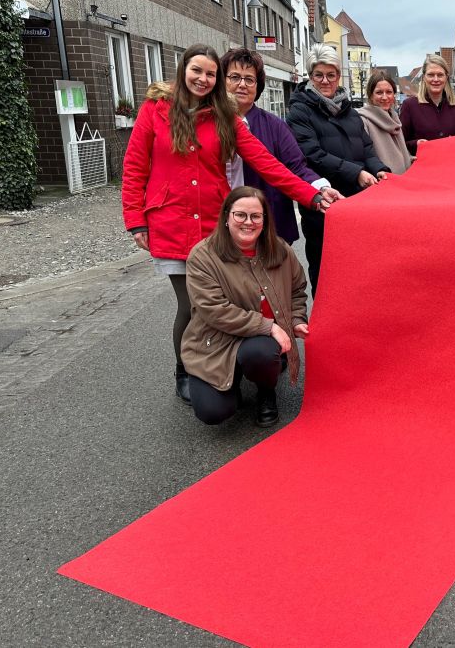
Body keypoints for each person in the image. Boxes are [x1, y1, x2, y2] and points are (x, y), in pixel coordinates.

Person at [122, 44, 321, 406]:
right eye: (197, 71)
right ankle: (186, 369)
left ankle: (232, 364)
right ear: (183, 70)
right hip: (170, 222)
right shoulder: (156, 110)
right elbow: (135, 165)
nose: (203, 79)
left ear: (216, 81)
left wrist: (311, 196)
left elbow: (267, 163)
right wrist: (135, 219)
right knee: (191, 305)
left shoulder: (224, 116)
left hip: (215, 224)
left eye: (210, 74)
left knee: (225, 301)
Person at [181, 187, 309, 427]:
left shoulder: (280, 249)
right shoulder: (202, 256)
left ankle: (265, 391)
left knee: (260, 353)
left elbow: (297, 290)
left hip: (259, 343)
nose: (248, 222)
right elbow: (214, 310)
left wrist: (296, 320)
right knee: (214, 413)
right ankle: (230, 378)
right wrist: (269, 326)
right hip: (216, 342)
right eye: (240, 215)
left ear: (264, 221)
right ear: (227, 217)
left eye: (256, 216)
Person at [287, 44, 389, 294]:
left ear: (338, 76)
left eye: (331, 75)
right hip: (323, 205)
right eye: (319, 75)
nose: (325, 80)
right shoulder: (300, 111)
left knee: (359, 269)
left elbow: (366, 148)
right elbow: (313, 155)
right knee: (325, 271)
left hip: (357, 202)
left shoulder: (349, 111)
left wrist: (378, 169)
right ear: (310, 76)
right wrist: (356, 172)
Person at [220, 47, 343, 245]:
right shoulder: (208, 123)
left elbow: (296, 167)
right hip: (219, 224)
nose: (242, 84)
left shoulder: (275, 126)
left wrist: (320, 189)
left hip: (268, 226)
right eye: (234, 77)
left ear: (258, 85)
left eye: (249, 79)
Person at [399, 54, 455, 154]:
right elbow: (400, 143)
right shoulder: (409, 106)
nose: (436, 79)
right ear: (424, 77)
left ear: (446, 77)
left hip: (454, 165)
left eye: (440, 75)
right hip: (423, 166)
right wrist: (416, 144)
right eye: (431, 75)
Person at [358, 70, 412, 175]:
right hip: (384, 182)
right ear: (370, 95)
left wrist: (409, 158)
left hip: (402, 182)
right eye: (379, 92)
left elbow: (399, 152)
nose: (384, 97)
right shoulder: (363, 120)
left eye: (389, 92)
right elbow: (365, 157)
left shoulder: (394, 118)